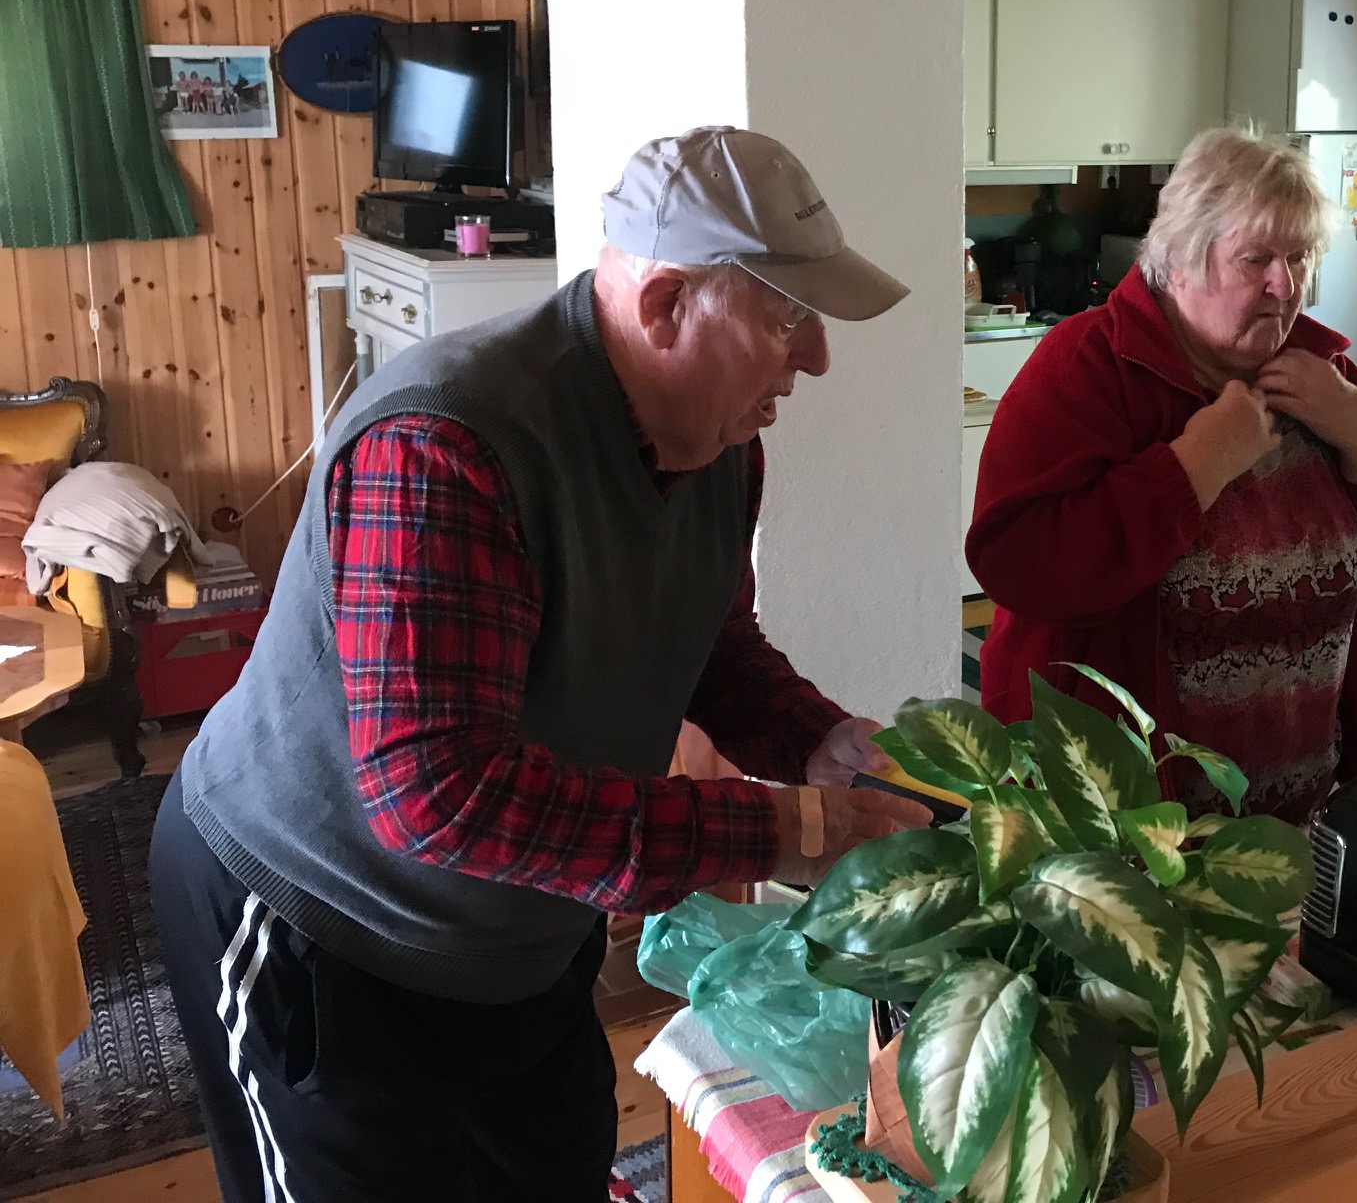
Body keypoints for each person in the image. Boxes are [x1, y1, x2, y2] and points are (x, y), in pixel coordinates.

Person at [151, 127, 933, 1203]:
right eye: (787, 317)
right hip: (322, 919)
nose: (817, 359)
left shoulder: (720, 444)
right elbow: (439, 796)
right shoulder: (447, 445)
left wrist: (818, 743)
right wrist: (784, 829)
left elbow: (708, 641)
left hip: (516, 929)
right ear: (666, 305)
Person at [967, 127, 1357, 825]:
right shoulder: (1090, 364)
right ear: (1180, 259)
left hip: (1313, 805)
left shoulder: (1322, 373)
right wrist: (1196, 466)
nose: (1286, 285)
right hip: (1131, 818)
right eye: (1257, 259)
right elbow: (1020, 565)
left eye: (1300, 257)